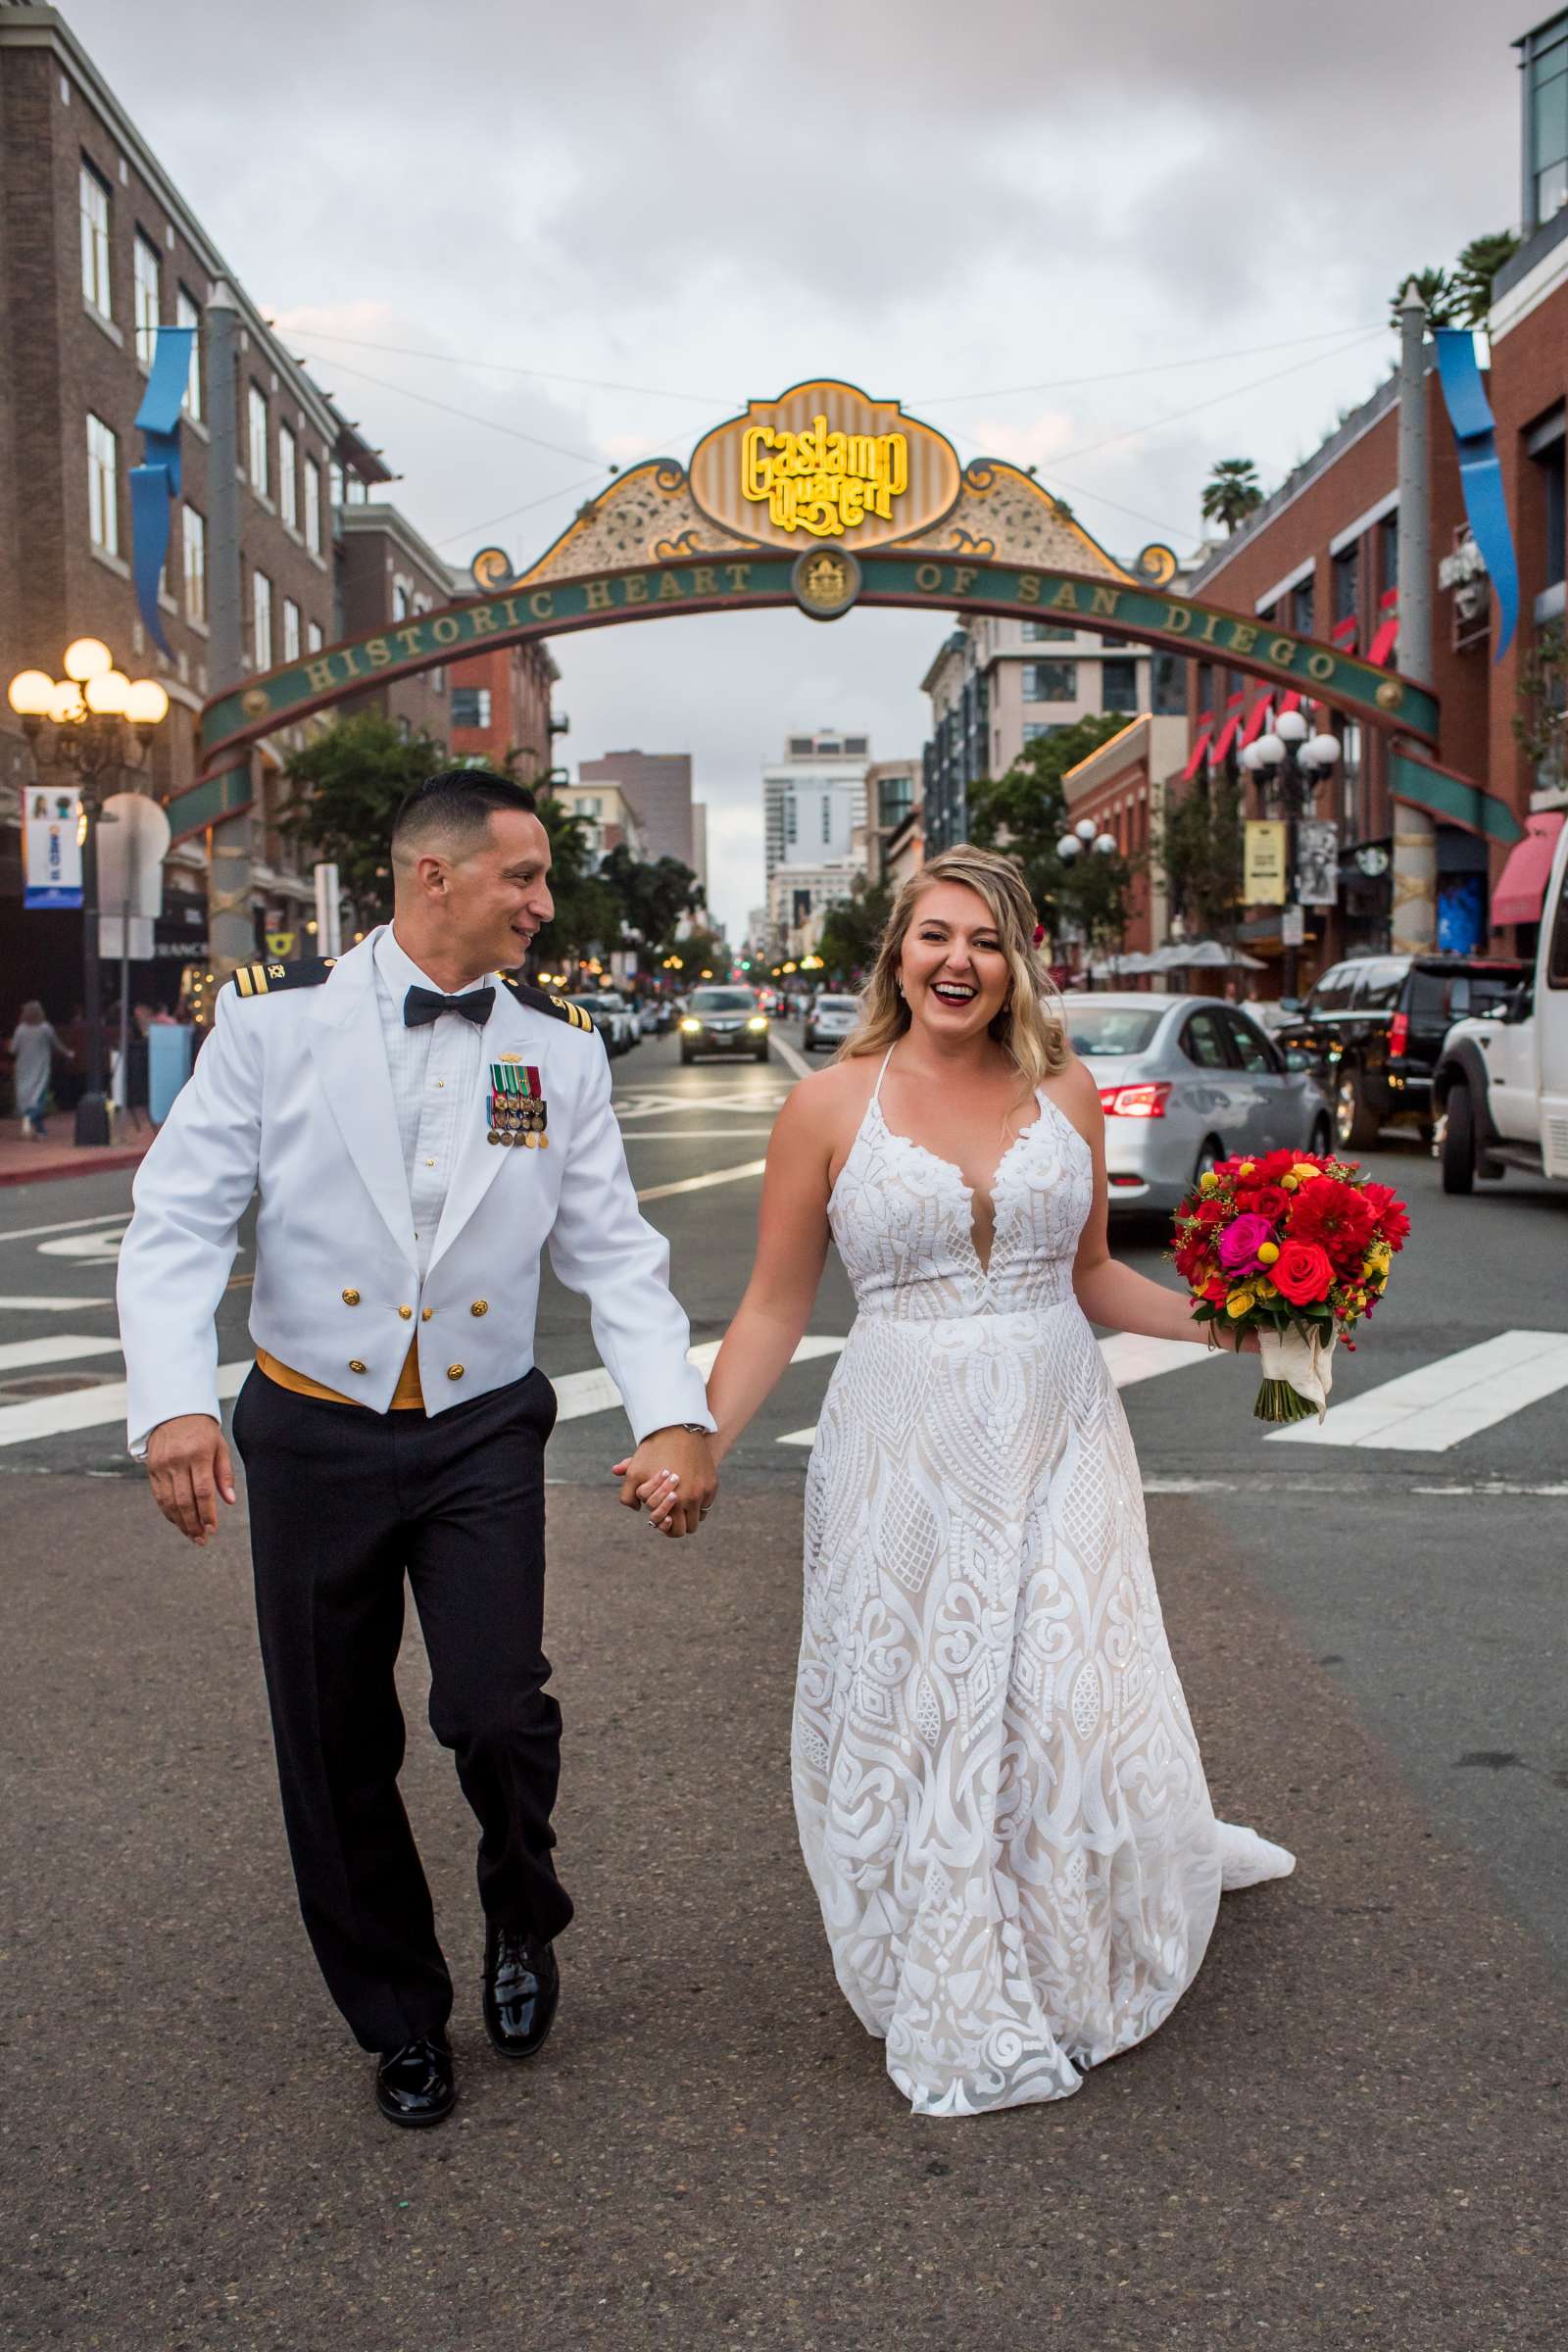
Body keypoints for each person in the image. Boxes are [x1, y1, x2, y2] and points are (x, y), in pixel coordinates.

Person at [646, 846, 1293, 2117]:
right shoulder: (830, 1106)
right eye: (937, 935)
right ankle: (955, 1942)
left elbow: (1092, 1275)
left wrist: (1234, 1321)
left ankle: (1058, 1936)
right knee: (933, 1707)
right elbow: (775, 1308)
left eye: (987, 941)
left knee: (1061, 1687)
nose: (960, 961)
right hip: (904, 1436)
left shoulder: (1070, 1089)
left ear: (1020, 959)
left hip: (1060, 1421)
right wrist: (698, 1434)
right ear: (898, 951)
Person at [117, 769, 719, 2130]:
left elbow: (614, 1254)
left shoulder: (557, 1052)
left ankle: (523, 1910)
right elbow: (178, 1225)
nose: (544, 904)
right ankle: (398, 2014)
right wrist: (174, 1402)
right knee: (331, 1741)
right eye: (525, 876)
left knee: (497, 1706)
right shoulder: (272, 1028)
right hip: (312, 1426)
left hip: (479, 1425)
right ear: (433, 876)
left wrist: (671, 1409)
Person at [9, 1001, 74, 1138]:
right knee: (39, 1099)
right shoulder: (45, 1028)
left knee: (26, 1098)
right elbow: (56, 1044)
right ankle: (29, 1118)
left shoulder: (20, 1029)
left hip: (23, 1068)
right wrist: (68, 1053)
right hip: (41, 1068)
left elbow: (13, 1049)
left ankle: (40, 1131)